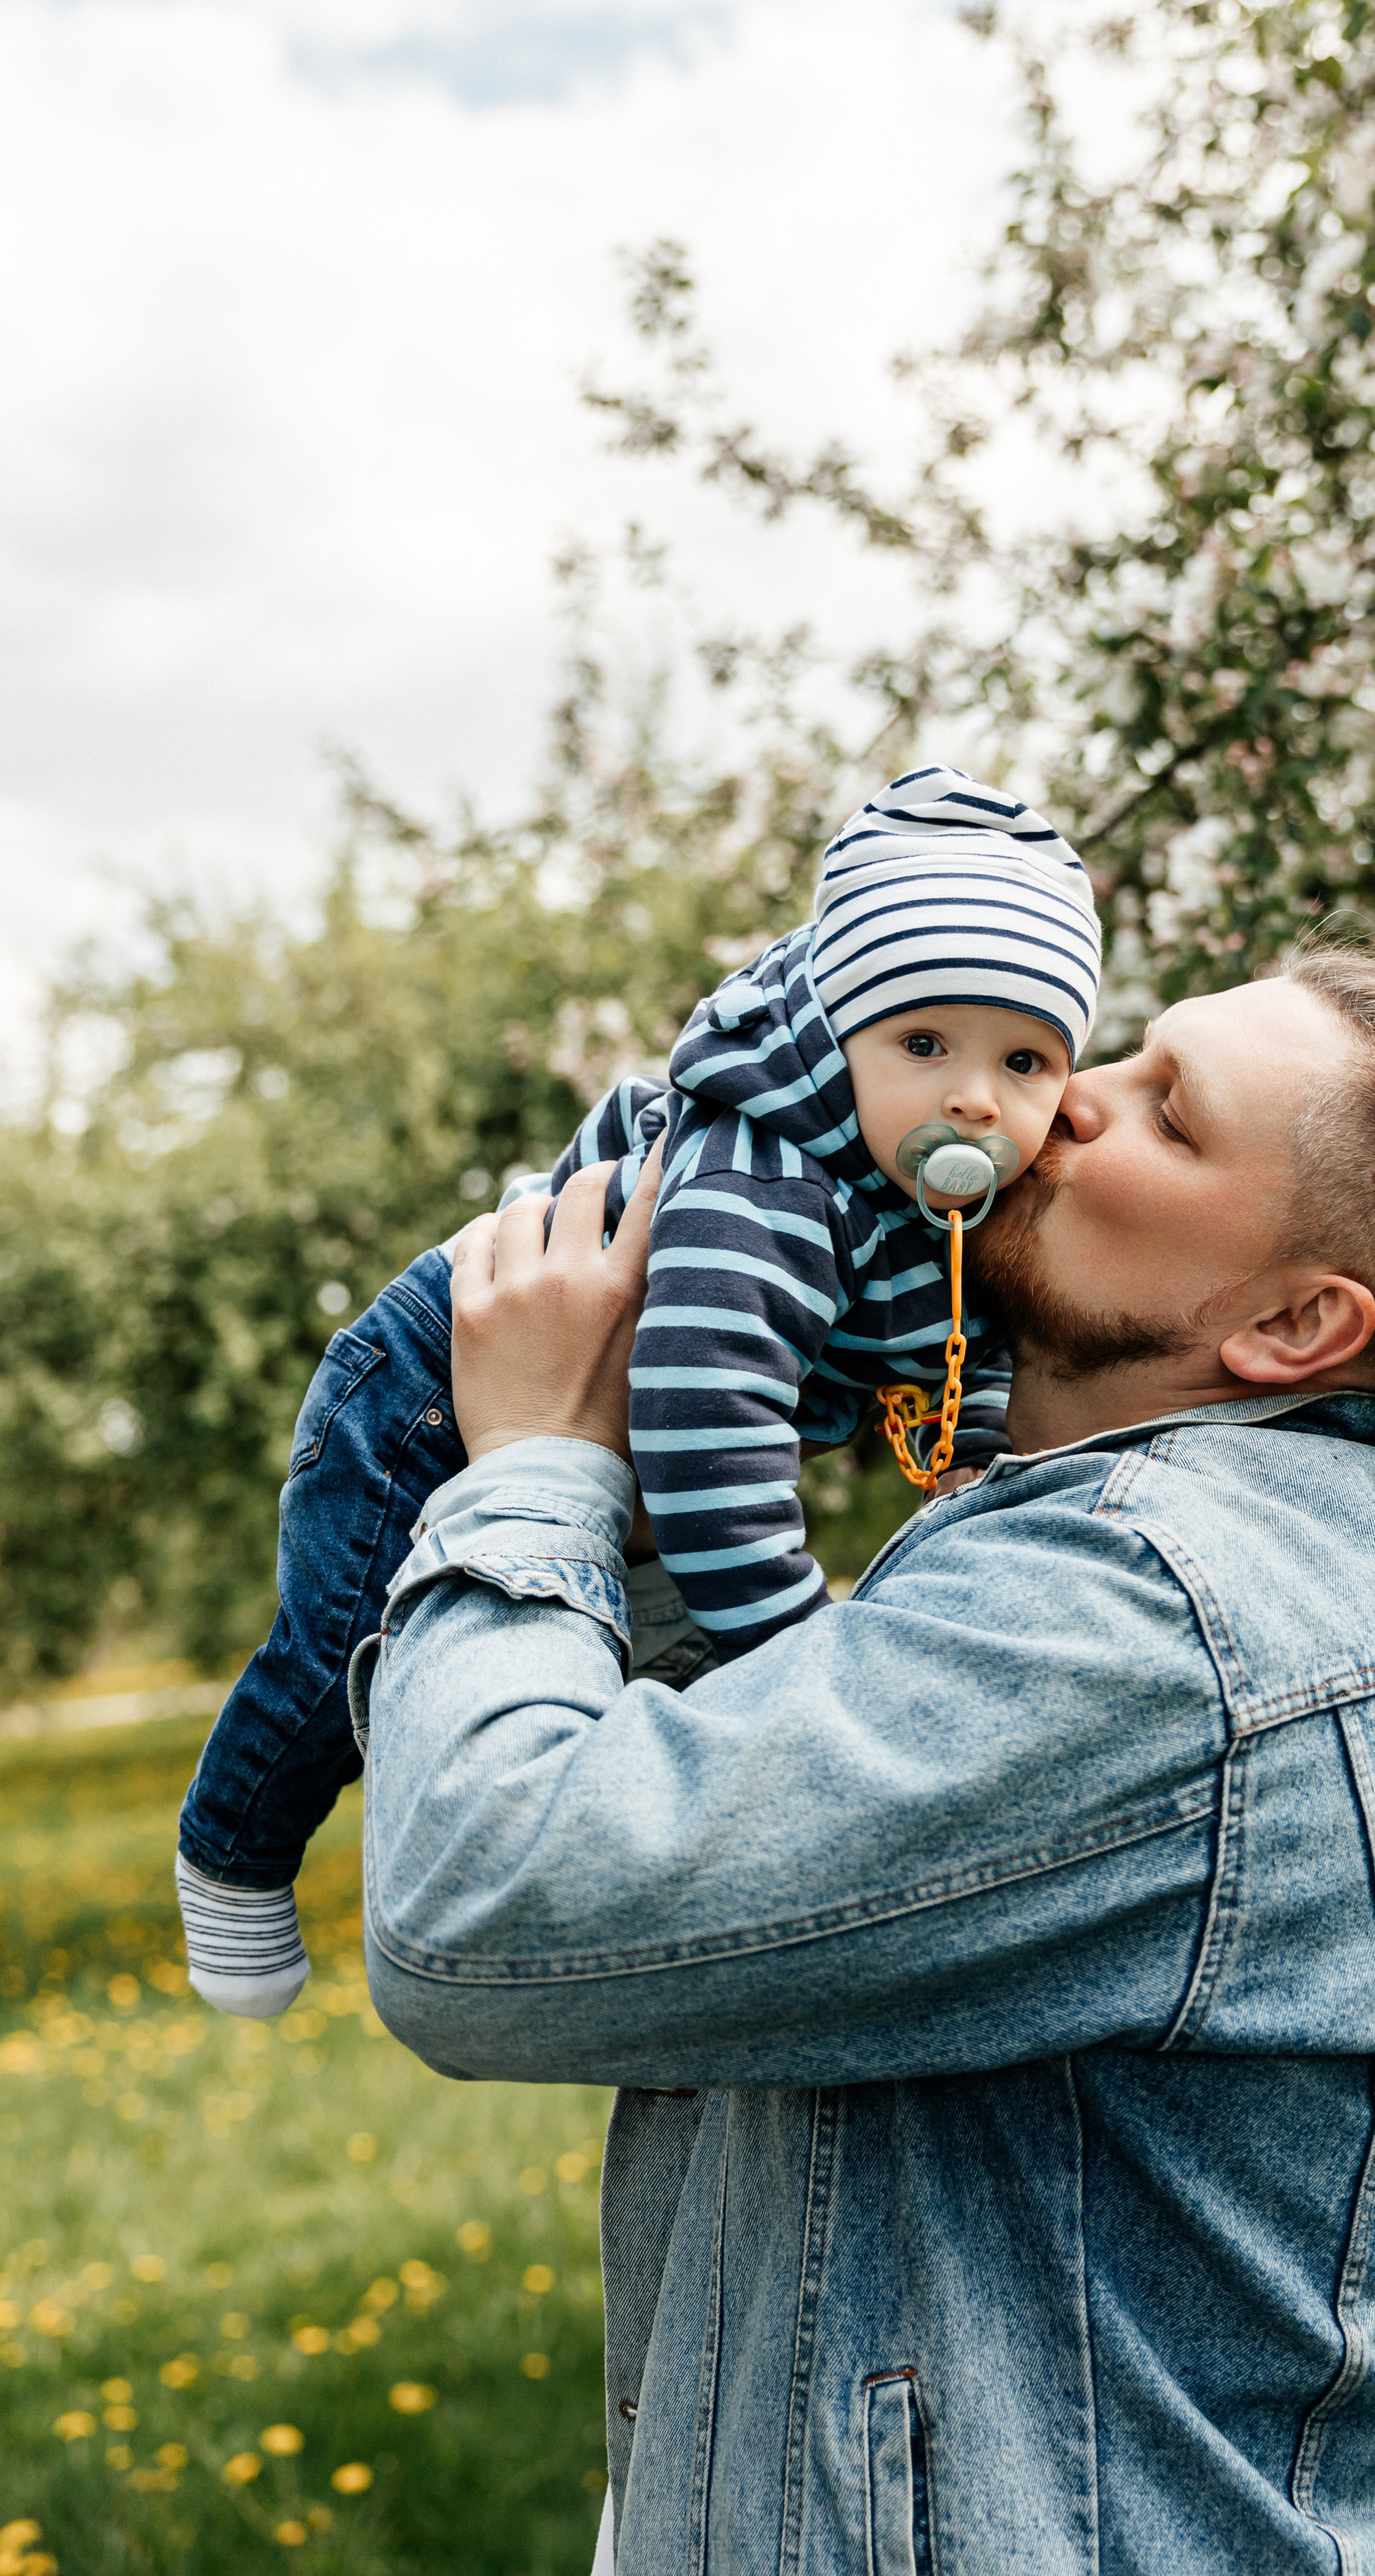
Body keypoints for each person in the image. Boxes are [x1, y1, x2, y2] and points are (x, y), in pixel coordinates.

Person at [354, 949, 1375, 2575]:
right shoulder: (1078, 1556)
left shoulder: (1147, 1625)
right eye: (1128, 1054)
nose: (1071, 1095)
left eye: (1168, 1118)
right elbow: (713, 1816)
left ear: (1292, 1324)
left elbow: (481, 1905)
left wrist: (538, 1466)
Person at [173, 764, 1101, 2017]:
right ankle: (229, 1853)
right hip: (434, 1393)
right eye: (922, 1043)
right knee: (337, 1654)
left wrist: (990, 1459)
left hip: (608, 1441)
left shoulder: (945, 1193)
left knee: (631, 1692)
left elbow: (975, 1344)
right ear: (835, 1038)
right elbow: (707, 1427)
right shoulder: (767, 1187)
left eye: (1028, 1059)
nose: (974, 1097)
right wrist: (791, 1655)